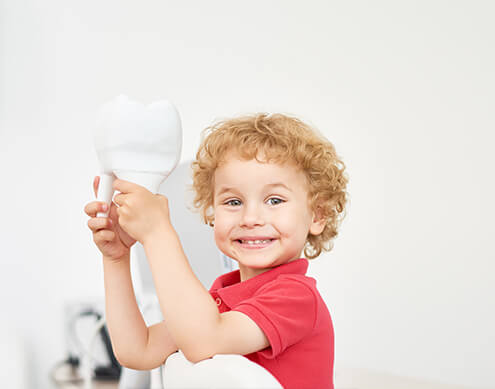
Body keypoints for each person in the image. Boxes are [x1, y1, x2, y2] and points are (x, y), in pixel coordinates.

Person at [84, 113, 348, 389]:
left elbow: (204, 341)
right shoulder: (219, 302)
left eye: (274, 200)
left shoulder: (296, 298)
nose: (251, 217)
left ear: (318, 216)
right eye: (233, 201)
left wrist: (157, 233)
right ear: (211, 212)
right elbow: (138, 349)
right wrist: (116, 257)